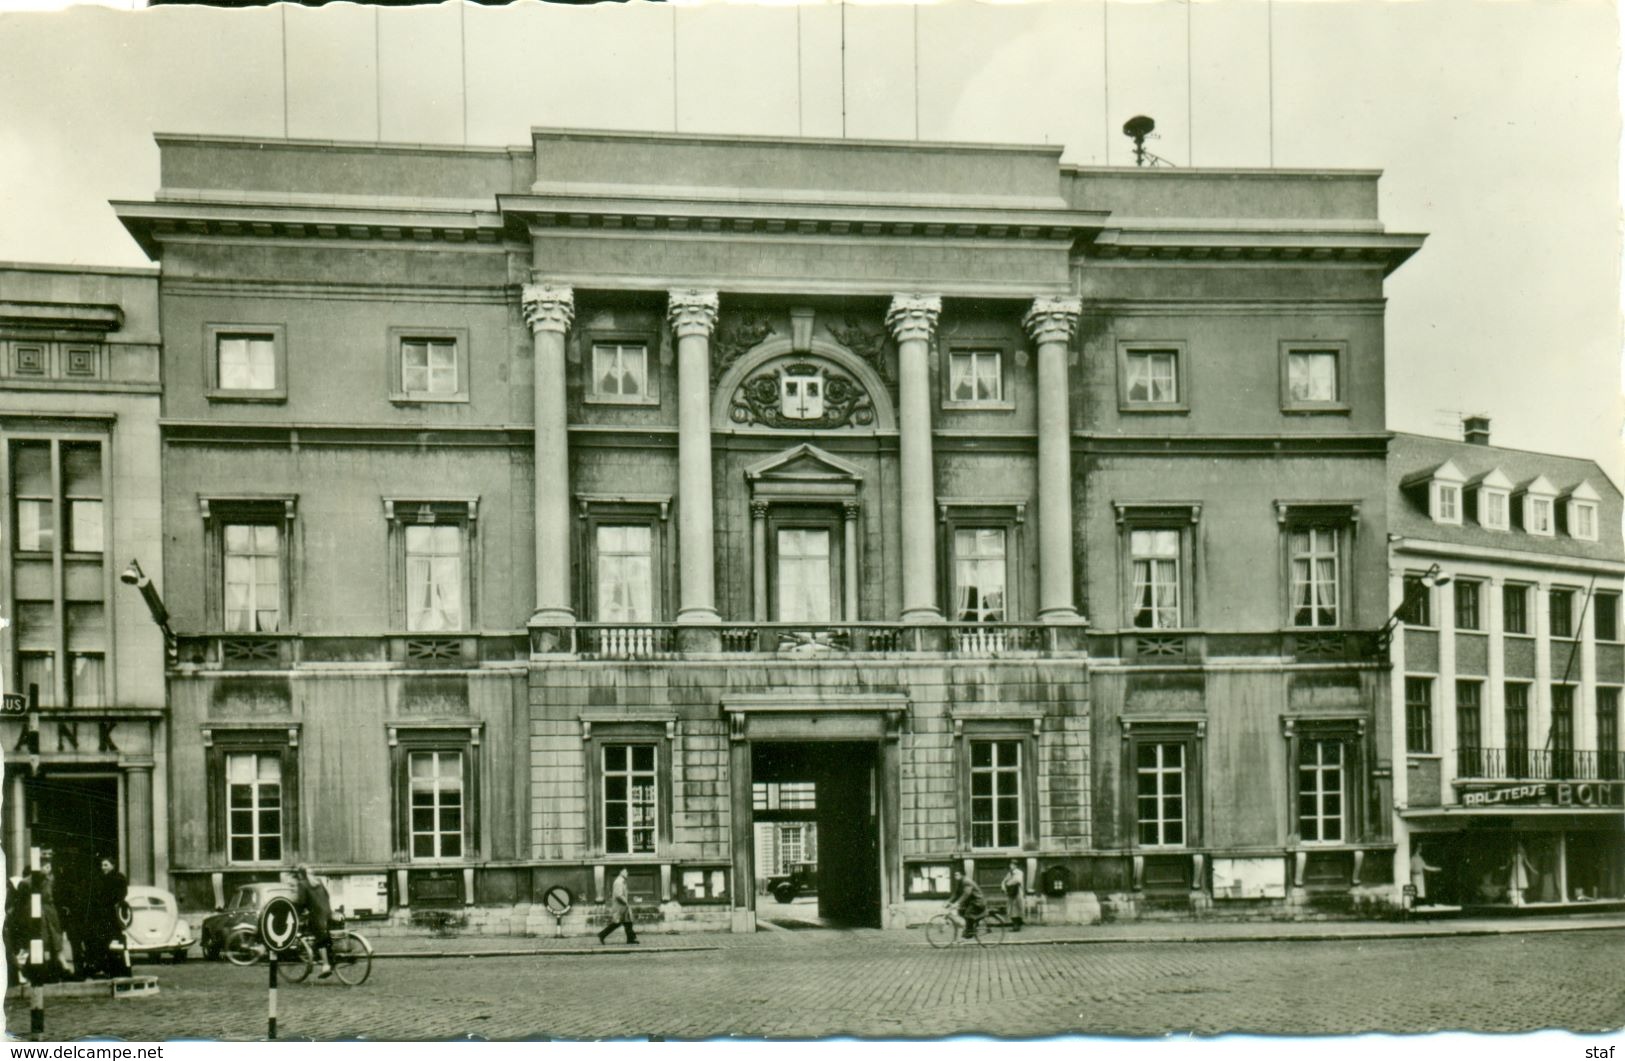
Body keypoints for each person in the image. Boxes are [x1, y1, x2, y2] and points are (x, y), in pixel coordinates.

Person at [81, 856, 128, 979]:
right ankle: (105, 967)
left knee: (114, 942)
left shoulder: (119, 878)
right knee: (103, 942)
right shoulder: (100, 879)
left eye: (106, 865)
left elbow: (120, 895)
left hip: (113, 915)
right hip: (102, 916)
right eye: (102, 865)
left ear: (113, 865)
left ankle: (118, 968)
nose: (103, 868)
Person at [292, 865, 335, 978]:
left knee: (319, 937)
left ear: (301, 874)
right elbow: (327, 895)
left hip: (317, 915)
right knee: (326, 936)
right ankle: (327, 957)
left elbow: (301, 902)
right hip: (327, 912)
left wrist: (298, 914)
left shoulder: (302, 884)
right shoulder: (319, 882)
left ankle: (325, 965)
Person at [597, 868, 639, 945]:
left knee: (628, 922)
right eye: (626, 871)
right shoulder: (619, 882)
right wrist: (626, 902)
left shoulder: (622, 881)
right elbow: (618, 895)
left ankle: (630, 939)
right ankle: (602, 934)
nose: (627, 873)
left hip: (623, 906)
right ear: (621, 872)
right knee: (617, 923)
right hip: (620, 906)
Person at [946, 869, 986, 942]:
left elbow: (966, 894)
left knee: (968, 913)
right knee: (961, 912)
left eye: (957, 875)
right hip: (971, 902)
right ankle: (969, 929)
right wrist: (948, 901)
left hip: (978, 902)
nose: (955, 876)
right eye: (954, 875)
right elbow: (956, 894)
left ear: (962, 874)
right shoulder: (960, 882)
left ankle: (969, 931)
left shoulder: (966, 881)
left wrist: (957, 903)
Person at [1001, 860, 1026, 931]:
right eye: (1010, 864)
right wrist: (1003, 886)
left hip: (1017, 893)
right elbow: (1004, 880)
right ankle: (1016, 924)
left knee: (1017, 909)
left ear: (1016, 865)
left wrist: (1008, 884)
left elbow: (1017, 880)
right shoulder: (1010, 873)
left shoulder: (1019, 872)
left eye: (1013, 864)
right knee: (1012, 909)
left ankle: (1017, 925)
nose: (1011, 866)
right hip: (1011, 894)